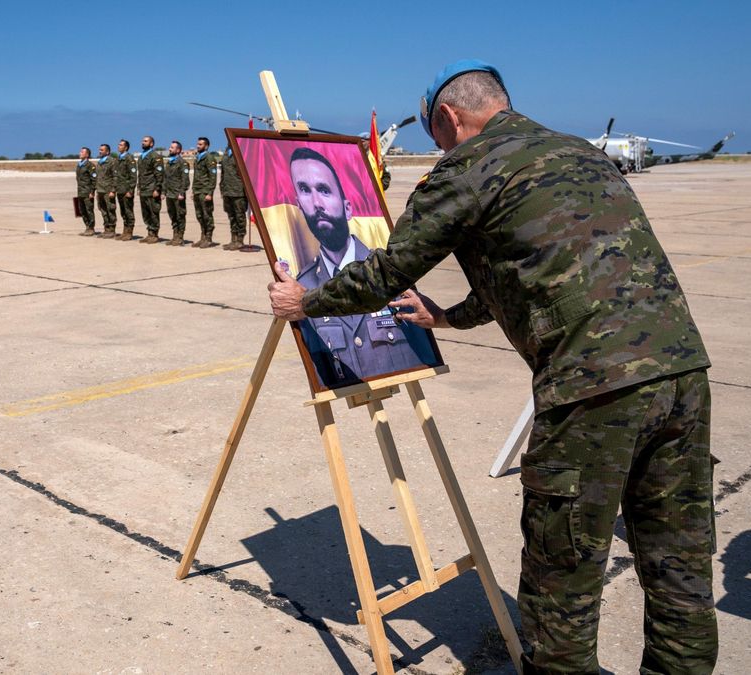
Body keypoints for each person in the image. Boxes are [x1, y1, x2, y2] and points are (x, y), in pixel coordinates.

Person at [267, 59, 717, 674]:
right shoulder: (576, 152)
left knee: (563, 583)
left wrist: (306, 301)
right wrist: (447, 319)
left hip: (594, 388)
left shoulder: (467, 168)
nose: (438, 146)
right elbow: (533, 268)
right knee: (678, 566)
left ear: (448, 117)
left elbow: (387, 271)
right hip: (682, 373)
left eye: (436, 134)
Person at [287, 147, 436, 388]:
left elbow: (420, 349)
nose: (316, 203)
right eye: (304, 190)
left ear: (347, 208)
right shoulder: (301, 287)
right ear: (299, 205)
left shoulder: (389, 272)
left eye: (324, 190)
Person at [219, 147, 248, 250]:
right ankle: (233, 239)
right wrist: (222, 189)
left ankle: (240, 240)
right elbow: (223, 173)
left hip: (239, 191)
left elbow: (246, 173)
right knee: (231, 216)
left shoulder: (241, 152)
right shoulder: (226, 153)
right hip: (227, 191)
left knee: (240, 216)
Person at [136, 135, 165, 244]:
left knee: (153, 212)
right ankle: (149, 233)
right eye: (142, 141)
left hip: (152, 189)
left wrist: (157, 189)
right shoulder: (141, 157)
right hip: (144, 189)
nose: (143, 142)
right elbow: (141, 175)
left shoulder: (155, 156)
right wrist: (139, 187)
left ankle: (154, 234)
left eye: (146, 141)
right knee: (146, 213)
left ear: (151, 144)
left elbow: (159, 174)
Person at [191, 137, 218, 247]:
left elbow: (213, 176)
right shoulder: (197, 158)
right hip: (197, 191)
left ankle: (208, 238)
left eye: (200, 144)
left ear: (206, 146)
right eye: (198, 144)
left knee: (207, 215)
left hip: (205, 191)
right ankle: (203, 236)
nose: (198, 146)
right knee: (199, 215)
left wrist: (210, 193)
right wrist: (193, 191)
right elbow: (196, 177)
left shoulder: (209, 158)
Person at [163, 140, 190, 246]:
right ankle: (175, 235)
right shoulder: (169, 162)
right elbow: (166, 178)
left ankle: (180, 237)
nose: (170, 149)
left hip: (178, 194)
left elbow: (185, 179)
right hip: (170, 194)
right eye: (170, 147)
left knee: (180, 215)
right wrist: (163, 192)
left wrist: (182, 192)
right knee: (172, 215)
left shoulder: (182, 163)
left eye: (172, 147)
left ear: (178, 150)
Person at [113, 139, 138, 240]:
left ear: (126, 147)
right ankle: (125, 231)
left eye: (121, 145)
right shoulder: (118, 158)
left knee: (128, 211)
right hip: (120, 190)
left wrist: (131, 190)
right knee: (123, 212)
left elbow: (133, 176)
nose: (119, 146)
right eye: (118, 144)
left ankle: (129, 232)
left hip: (126, 190)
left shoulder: (129, 158)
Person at [93, 143, 117, 238]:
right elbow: (98, 177)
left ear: (107, 151)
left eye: (102, 150)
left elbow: (115, 177)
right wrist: (96, 190)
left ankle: (112, 230)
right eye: (99, 150)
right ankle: (106, 229)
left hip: (108, 190)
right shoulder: (100, 162)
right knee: (103, 210)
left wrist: (113, 190)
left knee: (110, 210)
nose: (100, 151)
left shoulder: (112, 161)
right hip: (100, 190)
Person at [75, 146, 97, 236]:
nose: (80, 153)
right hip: (80, 191)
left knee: (89, 210)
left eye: (82, 152)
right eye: (80, 151)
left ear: (87, 154)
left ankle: (91, 228)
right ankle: (87, 227)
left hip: (88, 192)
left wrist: (92, 192)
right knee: (82, 211)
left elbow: (94, 179)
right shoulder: (79, 164)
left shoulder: (90, 165)